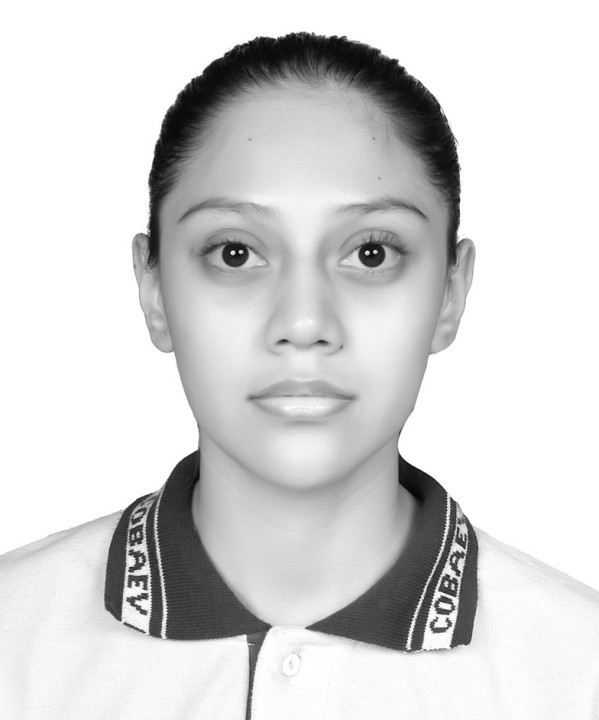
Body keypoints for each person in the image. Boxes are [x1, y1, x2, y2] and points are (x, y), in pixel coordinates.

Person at [0, 30, 597, 720]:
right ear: (153, 290)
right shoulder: (15, 642)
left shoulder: (577, 674)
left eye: (371, 253)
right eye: (234, 252)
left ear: (450, 295)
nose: (305, 321)